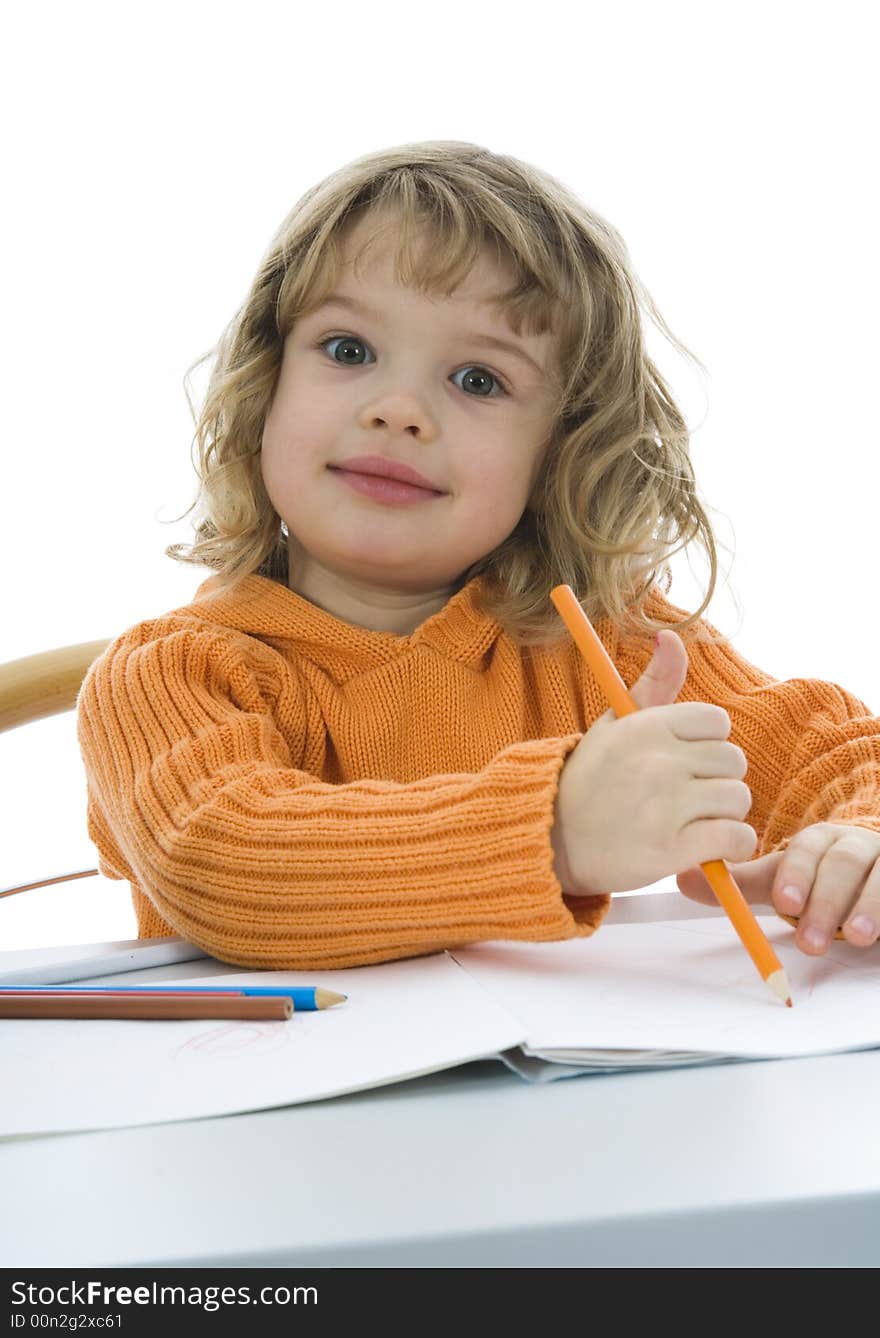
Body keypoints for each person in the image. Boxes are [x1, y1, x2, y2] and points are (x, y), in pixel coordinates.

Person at [76, 140, 880, 971]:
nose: (399, 410)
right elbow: (227, 869)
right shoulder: (168, 675)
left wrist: (859, 843)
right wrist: (555, 832)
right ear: (264, 384)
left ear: (561, 454)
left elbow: (833, 754)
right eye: (348, 350)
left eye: (479, 380)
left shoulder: (610, 646)